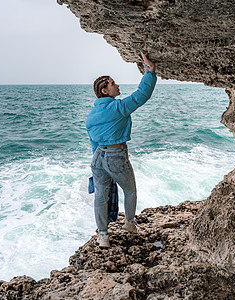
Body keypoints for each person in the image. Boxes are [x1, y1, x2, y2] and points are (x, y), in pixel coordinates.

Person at [86, 52, 157, 248]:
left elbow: (94, 144)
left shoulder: (91, 116)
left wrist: (99, 163)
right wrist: (149, 71)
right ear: (104, 91)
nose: (117, 86)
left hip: (98, 157)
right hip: (116, 155)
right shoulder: (117, 108)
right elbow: (141, 95)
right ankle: (129, 224)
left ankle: (103, 235)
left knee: (101, 196)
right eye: (113, 84)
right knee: (130, 190)